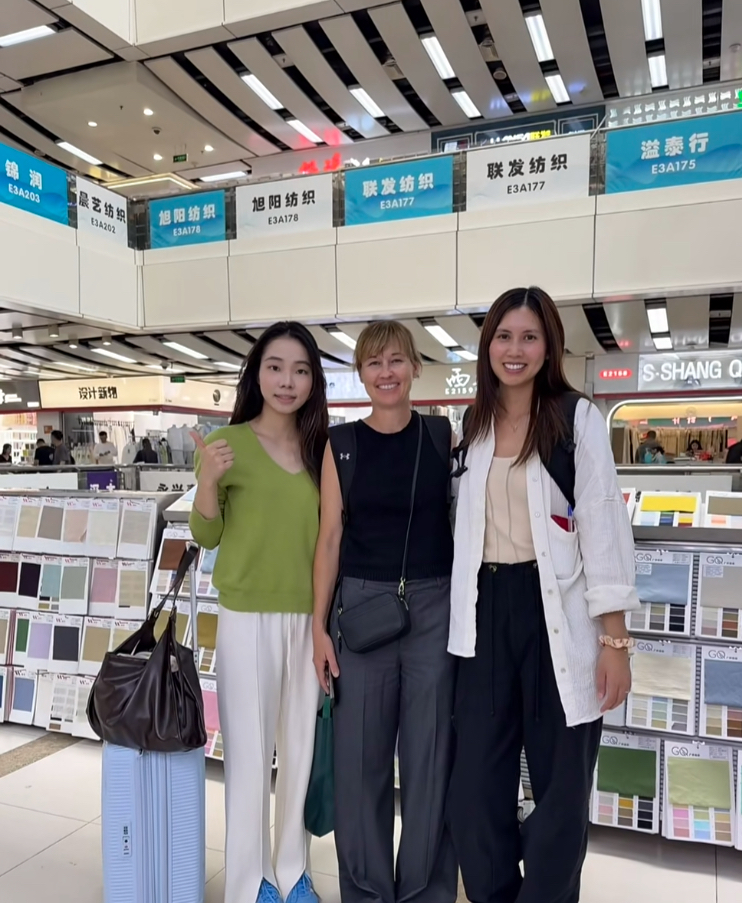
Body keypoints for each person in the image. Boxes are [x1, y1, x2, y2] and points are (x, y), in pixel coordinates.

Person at [448, 286, 639, 903]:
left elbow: (604, 530)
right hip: (483, 616)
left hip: (556, 615)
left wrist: (614, 641)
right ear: (487, 345)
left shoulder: (575, 418)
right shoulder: (472, 424)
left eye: (529, 336)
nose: (515, 349)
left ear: (549, 345)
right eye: (504, 336)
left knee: (560, 789)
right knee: (476, 786)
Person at [312, 321, 458, 903]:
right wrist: (318, 629)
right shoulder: (341, 444)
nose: (386, 372)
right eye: (374, 363)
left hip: (434, 609)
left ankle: (425, 892)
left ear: (415, 367)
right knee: (360, 767)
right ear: (361, 373)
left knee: (429, 763)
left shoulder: (441, 436)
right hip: (362, 614)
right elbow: (328, 541)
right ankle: (368, 892)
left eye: (396, 360)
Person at [189, 321, 328, 903]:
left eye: (300, 370)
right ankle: (250, 884)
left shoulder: (323, 449)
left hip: (308, 619)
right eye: (275, 367)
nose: (287, 381)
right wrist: (207, 483)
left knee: (300, 751)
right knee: (248, 754)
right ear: (257, 373)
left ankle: (294, 872)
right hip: (246, 618)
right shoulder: (230, 444)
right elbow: (205, 535)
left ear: (313, 380)